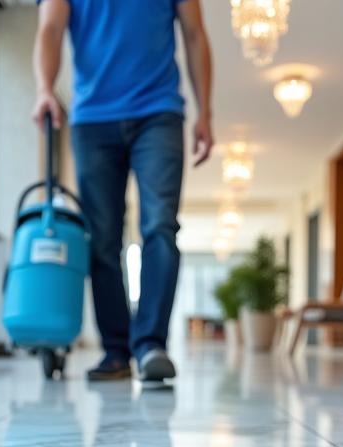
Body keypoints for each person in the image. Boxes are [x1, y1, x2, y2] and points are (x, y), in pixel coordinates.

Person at [33, 0, 214, 382]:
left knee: (160, 226)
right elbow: (49, 28)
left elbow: (195, 34)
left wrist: (205, 112)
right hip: (93, 120)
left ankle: (150, 345)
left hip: (159, 112)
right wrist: (44, 89)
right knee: (102, 239)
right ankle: (116, 350)